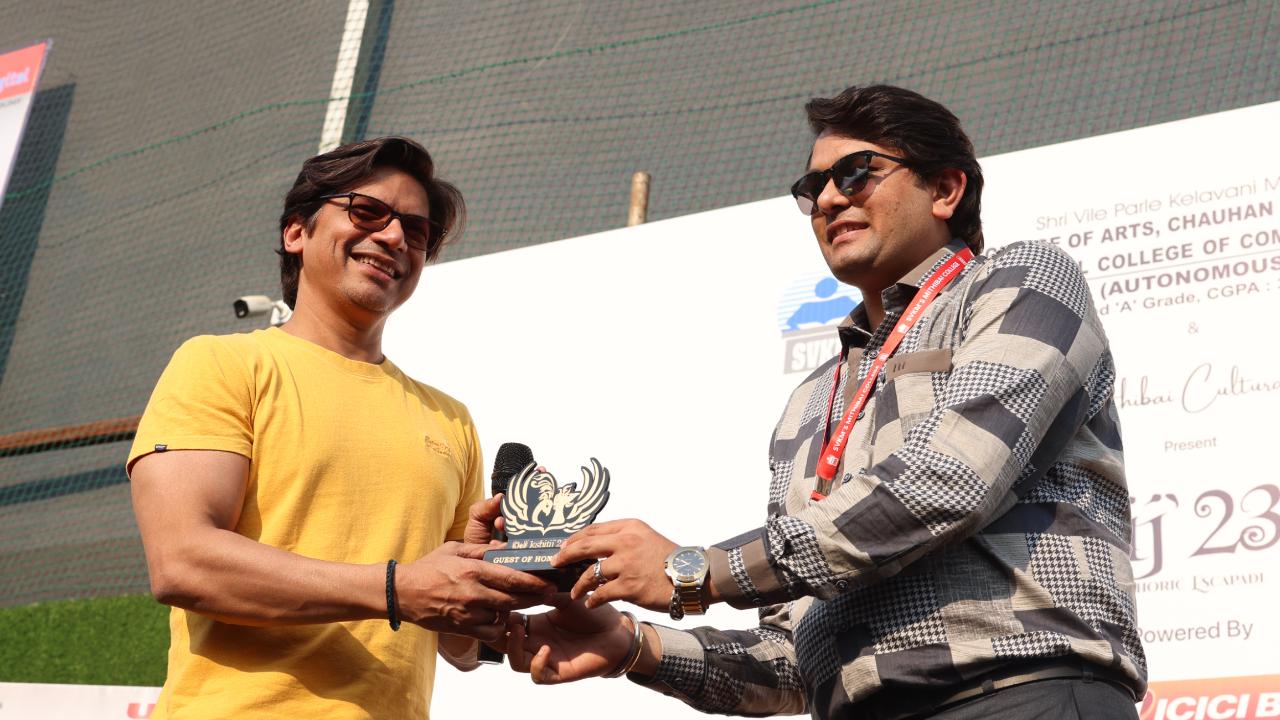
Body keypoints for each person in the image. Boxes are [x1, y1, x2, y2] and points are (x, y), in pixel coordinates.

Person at [505, 85, 1146, 719]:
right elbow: (792, 661)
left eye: (857, 172)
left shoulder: (1021, 282)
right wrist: (633, 646)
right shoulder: (811, 403)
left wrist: (693, 571)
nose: (830, 198)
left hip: (1019, 694)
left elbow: (947, 482)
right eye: (812, 189)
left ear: (947, 190)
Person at [128, 137, 554, 720]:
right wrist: (397, 588)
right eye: (367, 212)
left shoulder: (450, 419)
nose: (394, 237)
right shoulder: (223, 364)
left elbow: (456, 642)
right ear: (296, 232)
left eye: (416, 230)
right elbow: (182, 562)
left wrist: (491, 591)